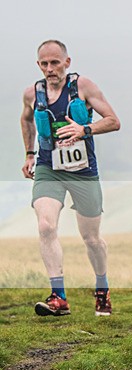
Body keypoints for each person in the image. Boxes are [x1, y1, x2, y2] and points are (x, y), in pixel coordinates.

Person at [20, 40, 120, 317]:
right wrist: (30, 153)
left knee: (91, 238)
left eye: (55, 62)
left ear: (67, 62)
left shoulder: (83, 87)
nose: (50, 69)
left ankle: (102, 288)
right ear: (38, 65)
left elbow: (113, 120)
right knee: (45, 226)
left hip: (83, 170)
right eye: (44, 64)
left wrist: (84, 129)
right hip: (48, 167)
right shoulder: (32, 92)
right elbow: (27, 119)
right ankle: (58, 297)